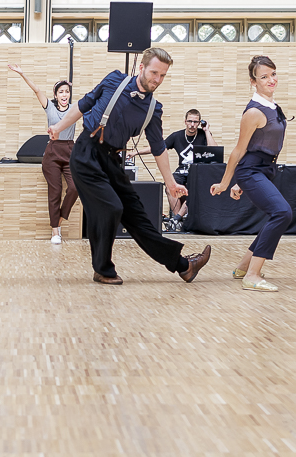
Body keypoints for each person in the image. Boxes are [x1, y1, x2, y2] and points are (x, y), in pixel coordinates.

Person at [48, 47, 211, 286]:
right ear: (142, 67)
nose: (157, 80)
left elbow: (158, 148)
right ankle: (102, 269)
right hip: (86, 154)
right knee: (111, 208)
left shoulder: (153, 108)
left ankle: (184, 266)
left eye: (163, 76)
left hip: (113, 159)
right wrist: (59, 127)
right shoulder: (115, 79)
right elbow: (82, 105)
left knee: (136, 213)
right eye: (154, 73)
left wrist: (171, 182)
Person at [210, 56, 293, 292]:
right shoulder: (254, 112)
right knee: (282, 212)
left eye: (273, 74)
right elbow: (238, 152)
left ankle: (243, 268)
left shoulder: (272, 106)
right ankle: (253, 276)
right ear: (253, 81)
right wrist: (227, 183)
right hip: (251, 170)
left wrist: (242, 184)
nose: (271, 80)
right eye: (264, 76)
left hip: (264, 170)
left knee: (277, 214)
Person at [8, 64, 77, 244]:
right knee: (55, 191)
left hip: (70, 151)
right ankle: (55, 231)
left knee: (75, 187)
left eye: (67, 92)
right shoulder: (50, 108)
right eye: (61, 92)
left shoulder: (75, 109)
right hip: (53, 153)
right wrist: (23, 74)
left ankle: (60, 219)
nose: (64, 95)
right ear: (56, 95)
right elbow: (37, 90)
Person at [163, 109, 216, 229]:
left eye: (195, 122)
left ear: (199, 123)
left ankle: (176, 219)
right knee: (169, 187)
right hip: (182, 171)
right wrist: (136, 152)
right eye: (190, 121)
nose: (192, 125)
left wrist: (207, 130)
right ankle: (178, 221)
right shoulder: (177, 136)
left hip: (198, 171)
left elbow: (214, 150)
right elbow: (158, 148)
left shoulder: (203, 135)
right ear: (185, 121)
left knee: (195, 189)